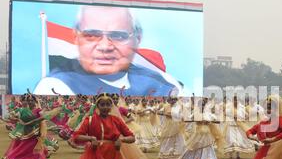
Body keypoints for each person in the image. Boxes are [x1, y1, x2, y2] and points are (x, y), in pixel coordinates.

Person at [33, 6, 182, 96]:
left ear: (137, 39)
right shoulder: (56, 85)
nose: (105, 46)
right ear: (76, 38)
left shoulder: (165, 83)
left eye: (118, 35)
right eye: (91, 35)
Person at [2, 94, 57, 159]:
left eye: (32, 100)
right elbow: (10, 117)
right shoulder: (23, 110)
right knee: (23, 151)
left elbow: (44, 117)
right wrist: (17, 119)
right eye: (28, 101)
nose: (30, 102)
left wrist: (35, 121)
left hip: (35, 135)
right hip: (25, 135)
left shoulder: (38, 110)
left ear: (35, 102)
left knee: (34, 152)